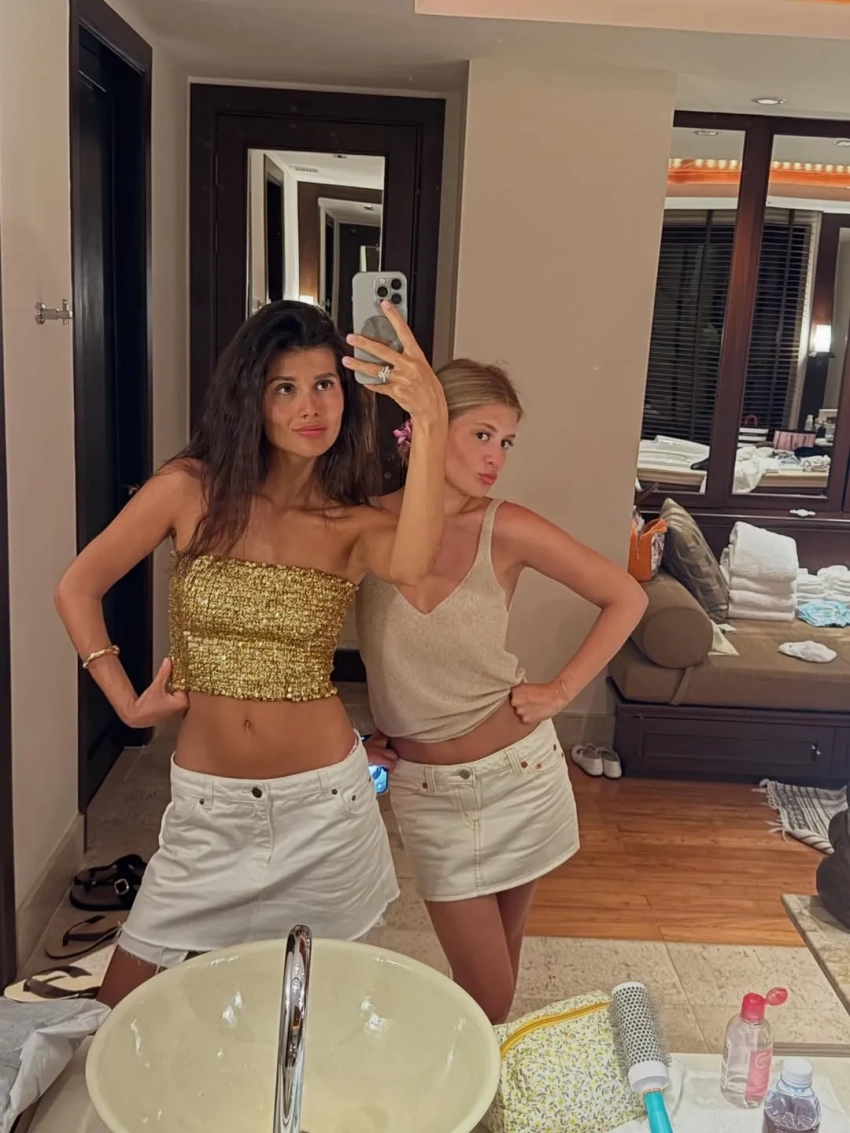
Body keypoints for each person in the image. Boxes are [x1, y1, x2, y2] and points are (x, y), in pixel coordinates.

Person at [55, 299, 448, 1006]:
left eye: (324, 384)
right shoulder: (189, 490)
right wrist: (125, 702)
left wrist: (433, 419)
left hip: (325, 809)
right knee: (121, 1014)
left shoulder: (352, 524)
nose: (310, 407)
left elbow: (418, 565)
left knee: (310, 1016)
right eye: (284, 388)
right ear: (252, 399)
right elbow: (77, 587)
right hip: (209, 812)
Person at [357, 359, 647, 1023]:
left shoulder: (505, 525)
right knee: (486, 988)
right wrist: (351, 740)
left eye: (507, 442)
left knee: (497, 987)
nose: (496, 458)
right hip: (429, 794)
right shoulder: (364, 523)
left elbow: (625, 596)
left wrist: (560, 691)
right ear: (426, 426)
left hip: (523, 775)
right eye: (482, 434)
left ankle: (486, 1086)